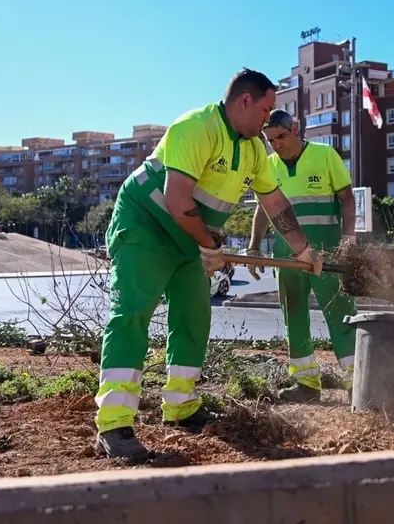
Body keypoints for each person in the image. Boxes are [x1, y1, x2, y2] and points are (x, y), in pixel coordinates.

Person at [95, 69, 323, 462]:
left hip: (191, 236)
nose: (269, 121)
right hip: (146, 224)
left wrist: (304, 250)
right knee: (131, 313)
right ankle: (114, 423)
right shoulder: (195, 128)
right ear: (245, 101)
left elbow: (275, 204)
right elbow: (177, 197)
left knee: (194, 317)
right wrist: (209, 244)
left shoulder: (253, 149)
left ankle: (181, 405)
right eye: (266, 110)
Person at [247, 109, 358, 403]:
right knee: (293, 317)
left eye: (281, 136)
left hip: (328, 254)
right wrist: (254, 246)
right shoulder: (267, 165)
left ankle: (357, 382)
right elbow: (262, 208)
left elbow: (347, 197)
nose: (277, 144)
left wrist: (349, 239)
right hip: (286, 257)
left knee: (342, 314)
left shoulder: (324, 154)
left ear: (295, 129)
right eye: (271, 140)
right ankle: (306, 384)